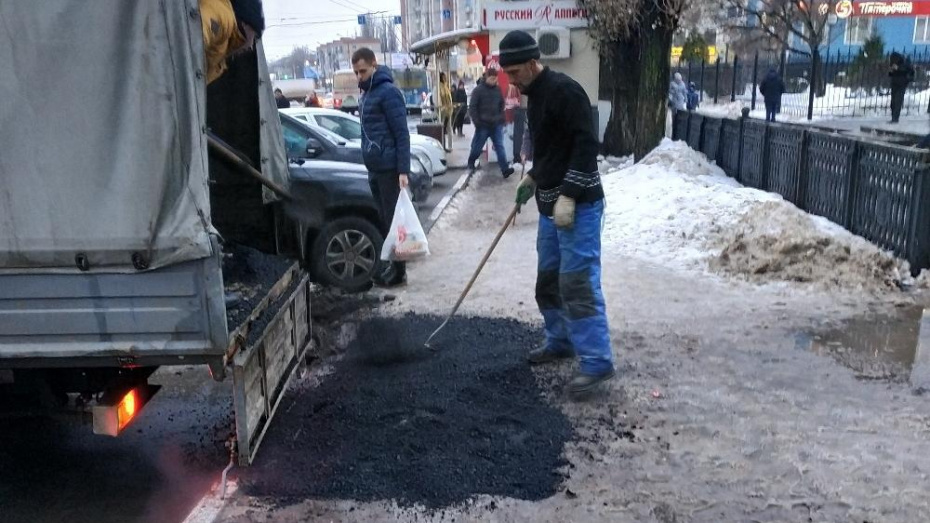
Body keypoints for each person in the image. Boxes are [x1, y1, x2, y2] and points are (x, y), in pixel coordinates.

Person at [499, 30, 614, 397]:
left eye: (515, 73)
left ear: (533, 63)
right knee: (548, 280)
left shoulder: (566, 91)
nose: (512, 82)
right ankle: (560, 340)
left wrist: (569, 194)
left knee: (577, 283)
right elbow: (551, 150)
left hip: (578, 207)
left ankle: (597, 363)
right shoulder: (535, 96)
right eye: (508, 75)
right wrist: (532, 178)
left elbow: (585, 147)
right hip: (550, 207)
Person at [353, 47, 411, 287]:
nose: (359, 76)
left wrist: (403, 171)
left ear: (374, 66)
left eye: (363, 71)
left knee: (394, 222)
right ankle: (393, 265)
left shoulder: (388, 92)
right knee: (385, 221)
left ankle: (399, 271)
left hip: (389, 169)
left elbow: (401, 133)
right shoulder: (366, 95)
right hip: (375, 168)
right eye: (356, 72)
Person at [199, 0, 265, 85]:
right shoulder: (224, 18)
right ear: (246, 24)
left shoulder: (222, 56)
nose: (251, 46)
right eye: (254, 37)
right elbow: (194, 39)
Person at [467, 69, 514, 178]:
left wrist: (502, 118)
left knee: (500, 147)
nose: (493, 81)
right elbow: (472, 107)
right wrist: (477, 122)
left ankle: (505, 169)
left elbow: (501, 104)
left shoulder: (497, 90)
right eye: (491, 78)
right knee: (477, 147)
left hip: (496, 124)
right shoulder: (478, 90)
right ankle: (471, 162)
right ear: (486, 78)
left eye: (495, 79)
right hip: (482, 125)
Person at [889, 52, 915, 124]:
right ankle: (893, 117)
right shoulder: (892, 63)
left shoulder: (905, 63)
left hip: (902, 84)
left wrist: (898, 68)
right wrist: (891, 71)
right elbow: (891, 74)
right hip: (894, 84)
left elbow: (908, 70)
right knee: (893, 102)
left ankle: (895, 118)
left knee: (898, 101)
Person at [439, 72, 454, 141]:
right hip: (443, 110)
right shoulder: (440, 87)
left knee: (449, 128)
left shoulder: (446, 87)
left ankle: (449, 145)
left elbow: (449, 99)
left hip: (448, 110)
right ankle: (443, 144)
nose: (445, 79)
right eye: (444, 77)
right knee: (443, 128)